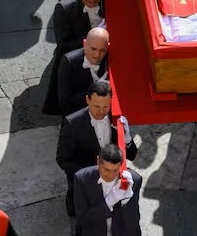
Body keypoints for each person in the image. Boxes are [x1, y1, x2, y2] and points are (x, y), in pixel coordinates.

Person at [57, 81, 139, 218]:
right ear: (87, 100)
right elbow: (62, 159)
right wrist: (91, 174)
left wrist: (127, 138)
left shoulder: (116, 118)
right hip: (86, 189)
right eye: (96, 106)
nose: (101, 111)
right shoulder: (72, 124)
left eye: (105, 106)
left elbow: (132, 155)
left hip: (113, 185)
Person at [45, 0, 106, 114]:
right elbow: (64, 44)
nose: (92, 0)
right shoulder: (64, 8)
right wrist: (95, 35)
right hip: (79, 65)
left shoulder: (106, 1)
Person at [73, 144, 142, 236]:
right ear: (98, 161)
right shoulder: (82, 179)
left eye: (115, 170)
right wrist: (110, 200)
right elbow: (83, 221)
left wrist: (125, 201)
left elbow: (132, 220)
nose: (110, 175)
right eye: (106, 169)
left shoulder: (134, 179)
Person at [58, 28, 110, 117]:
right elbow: (65, 102)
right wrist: (95, 88)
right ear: (84, 44)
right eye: (93, 49)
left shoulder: (109, 58)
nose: (97, 55)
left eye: (102, 50)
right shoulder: (69, 62)